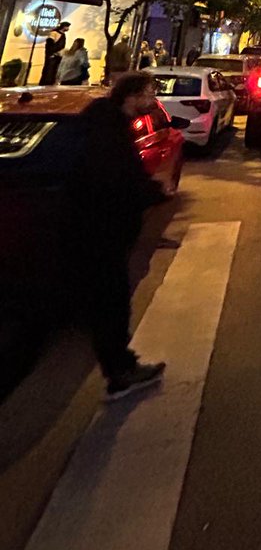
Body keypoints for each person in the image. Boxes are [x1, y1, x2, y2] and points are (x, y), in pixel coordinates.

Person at [66, 73, 167, 400]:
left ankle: (120, 365)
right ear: (133, 95)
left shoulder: (103, 124)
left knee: (107, 303)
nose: (153, 100)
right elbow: (116, 181)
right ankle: (120, 373)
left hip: (96, 232)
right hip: (101, 233)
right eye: (150, 93)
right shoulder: (109, 132)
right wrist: (152, 191)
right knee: (111, 304)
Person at [39, 20, 70, 85]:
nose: (68, 28)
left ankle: (51, 83)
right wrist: (51, 53)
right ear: (64, 26)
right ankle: (45, 83)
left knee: (55, 70)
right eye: (67, 27)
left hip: (58, 56)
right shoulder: (54, 33)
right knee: (48, 70)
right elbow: (49, 44)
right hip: (52, 55)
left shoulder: (63, 35)